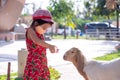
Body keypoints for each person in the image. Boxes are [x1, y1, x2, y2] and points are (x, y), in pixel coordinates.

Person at [23, 9, 59, 80]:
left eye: (47, 29)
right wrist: (49, 45)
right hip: (34, 64)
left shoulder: (40, 33)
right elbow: (37, 41)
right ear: (36, 23)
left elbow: (42, 44)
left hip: (42, 63)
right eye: (44, 28)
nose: (45, 30)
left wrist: (52, 48)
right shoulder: (31, 31)